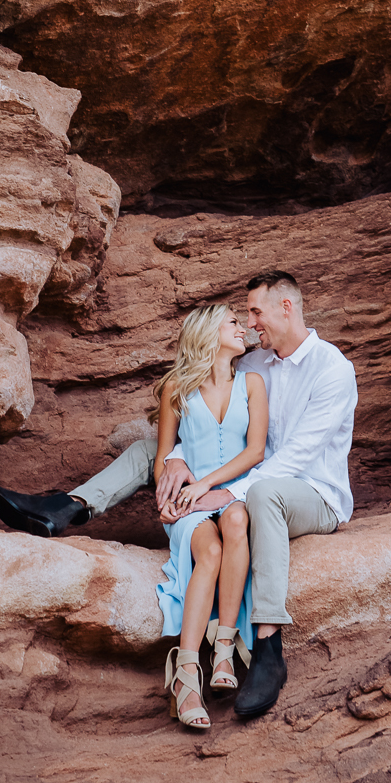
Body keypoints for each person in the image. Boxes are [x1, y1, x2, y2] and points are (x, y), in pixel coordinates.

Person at [158, 271, 358, 720]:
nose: (250, 324)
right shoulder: (253, 366)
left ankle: (268, 644)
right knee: (235, 495)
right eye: (244, 316)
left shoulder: (332, 369)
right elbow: (203, 416)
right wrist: (173, 456)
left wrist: (226, 491)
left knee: (264, 494)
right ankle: (72, 505)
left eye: (254, 312)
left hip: (315, 494)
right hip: (252, 486)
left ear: (286, 307)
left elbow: (296, 456)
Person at [152, 303, 267, 731]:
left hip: (230, 493)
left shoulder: (252, 384)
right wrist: (172, 481)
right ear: (209, 332)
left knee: (237, 521)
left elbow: (255, 452)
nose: (244, 329)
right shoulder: (177, 388)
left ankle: (223, 650)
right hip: (191, 503)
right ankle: (186, 676)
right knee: (211, 551)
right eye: (235, 323)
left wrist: (209, 486)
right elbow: (163, 456)